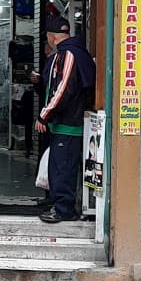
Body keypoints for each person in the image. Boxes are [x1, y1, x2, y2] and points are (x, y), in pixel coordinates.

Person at [36, 18, 96, 224]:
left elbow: (63, 89)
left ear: (52, 38)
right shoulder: (74, 52)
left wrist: (45, 114)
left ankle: (63, 209)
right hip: (66, 121)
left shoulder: (69, 54)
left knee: (63, 167)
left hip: (69, 123)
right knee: (60, 165)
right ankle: (58, 203)